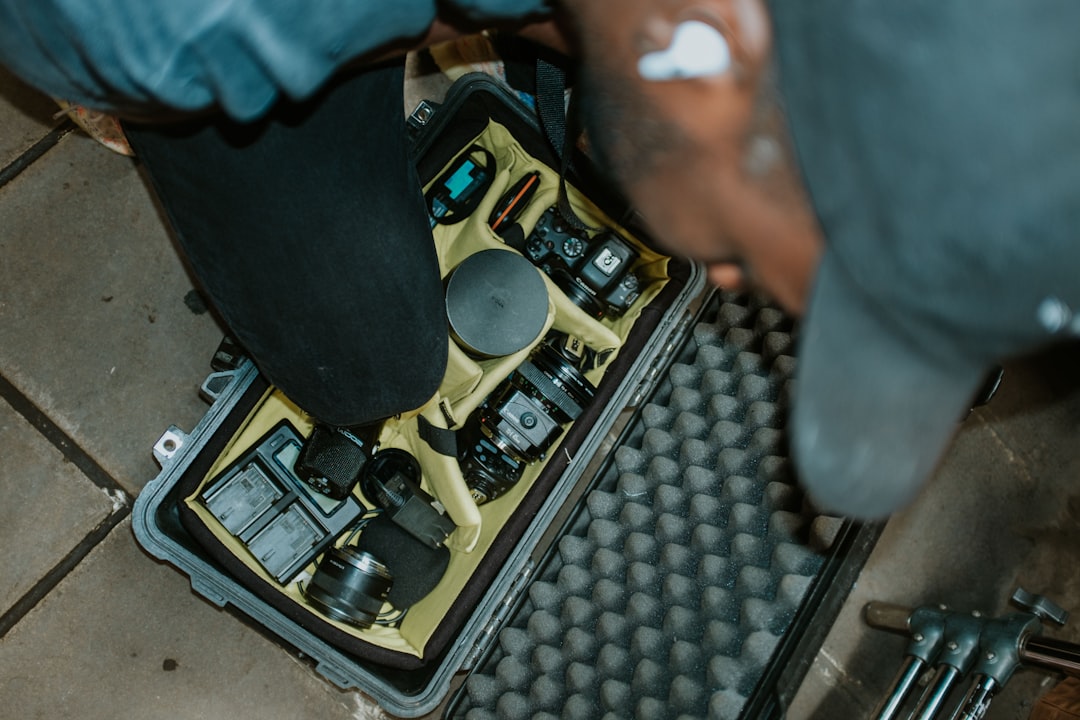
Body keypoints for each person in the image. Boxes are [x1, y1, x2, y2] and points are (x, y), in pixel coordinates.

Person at [3, 0, 1077, 519]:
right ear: (700, 50)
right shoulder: (179, 22)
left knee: (635, 163)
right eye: (747, 256)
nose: (735, 287)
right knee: (370, 373)